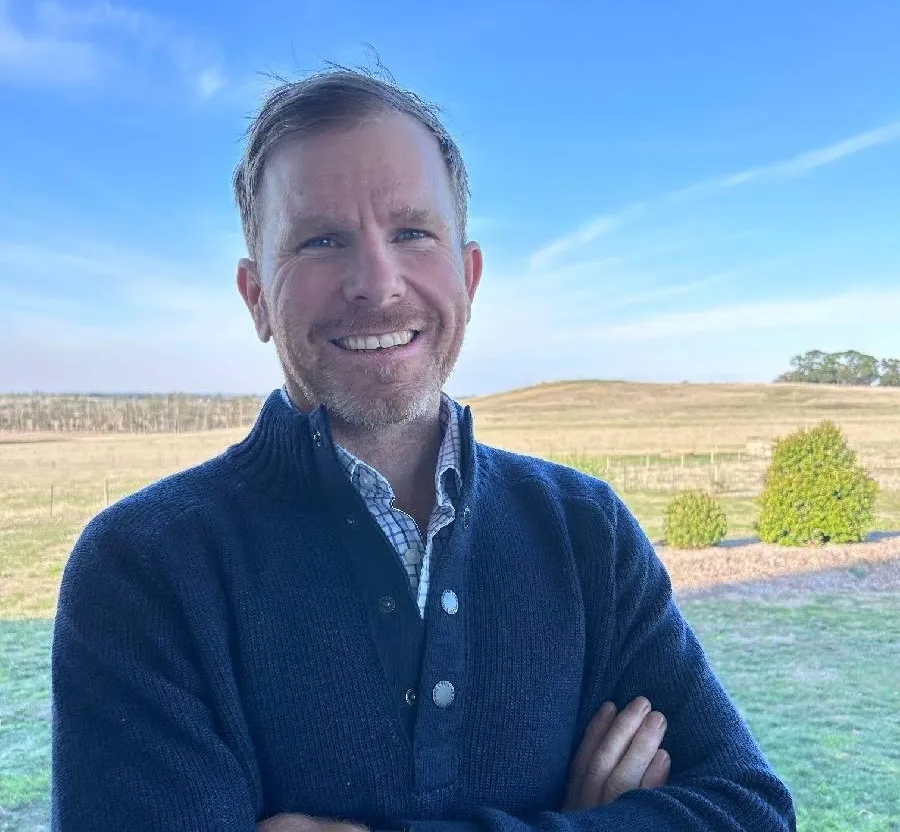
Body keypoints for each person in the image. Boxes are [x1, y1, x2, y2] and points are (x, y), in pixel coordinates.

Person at [51, 68, 795, 832]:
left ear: (468, 276)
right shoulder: (144, 566)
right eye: (320, 241)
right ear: (257, 298)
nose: (378, 285)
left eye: (412, 232)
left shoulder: (585, 531)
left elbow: (750, 812)